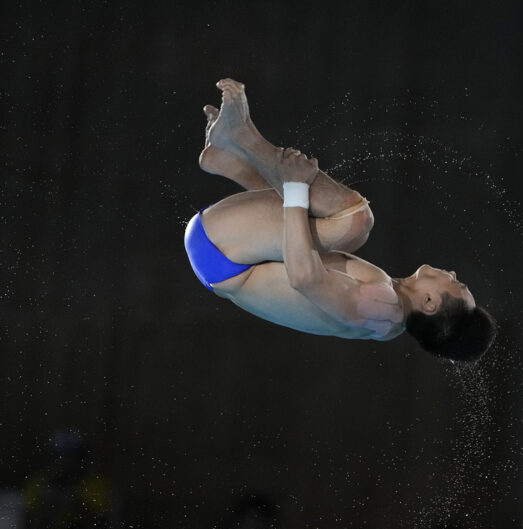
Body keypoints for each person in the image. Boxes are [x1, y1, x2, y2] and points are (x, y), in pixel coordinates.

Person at [186, 79, 497, 362]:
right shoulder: (388, 316)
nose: (453, 273)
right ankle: (228, 160)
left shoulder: (382, 307)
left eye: (457, 284)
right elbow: (293, 244)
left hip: (221, 251)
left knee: (355, 220)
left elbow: (304, 277)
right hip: (225, 258)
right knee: (346, 232)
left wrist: (296, 186)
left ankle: (241, 136)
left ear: (430, 302)